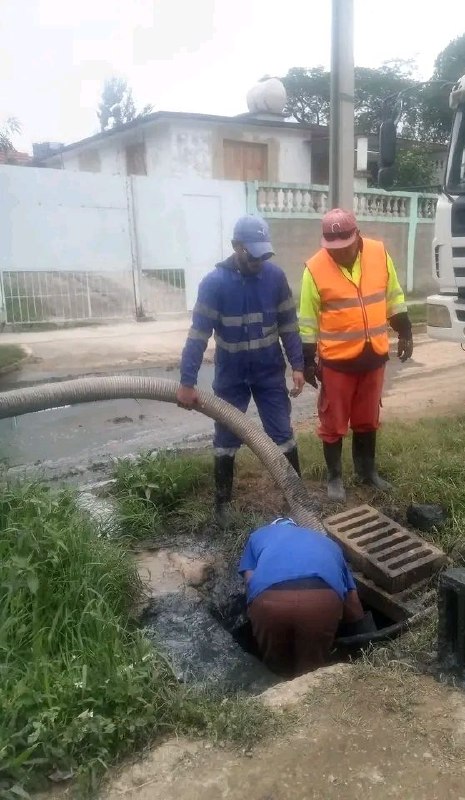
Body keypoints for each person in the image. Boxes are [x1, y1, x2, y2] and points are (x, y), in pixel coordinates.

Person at [177, 215, 304, 524]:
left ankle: (298, 501)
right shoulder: (214, 284)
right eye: (253, 253)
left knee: (283, 434)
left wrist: (298, 366)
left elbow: (289, 326)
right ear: (236, 247)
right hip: (231, 377)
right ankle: (222, 506)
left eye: (264, 253)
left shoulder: (275, 278)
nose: (259, 260)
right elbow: (198, 336)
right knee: (226, 439)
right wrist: (187, 381)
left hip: (268, 373)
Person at [298, 208, 413, 502]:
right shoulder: (314, 268)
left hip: (373, 356)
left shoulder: (378, 253)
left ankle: (367, 472)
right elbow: (308, 319)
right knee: (333, 423)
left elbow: (393, 295)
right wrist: (307, 360)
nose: (339, 253)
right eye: (332, 249)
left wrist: (405, 329)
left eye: (344, 247)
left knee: (367, 418)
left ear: (357, 236)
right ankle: (335, 478)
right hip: (337, 362)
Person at [239, 518, 369, 677]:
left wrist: (255, 616)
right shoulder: (327, 543)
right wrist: (365, 643)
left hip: (270, 599)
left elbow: (250, 581)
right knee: (311, 673)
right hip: (320, 599)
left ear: (272, 526)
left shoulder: (258, 535)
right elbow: (352, 600)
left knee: (276, 670)